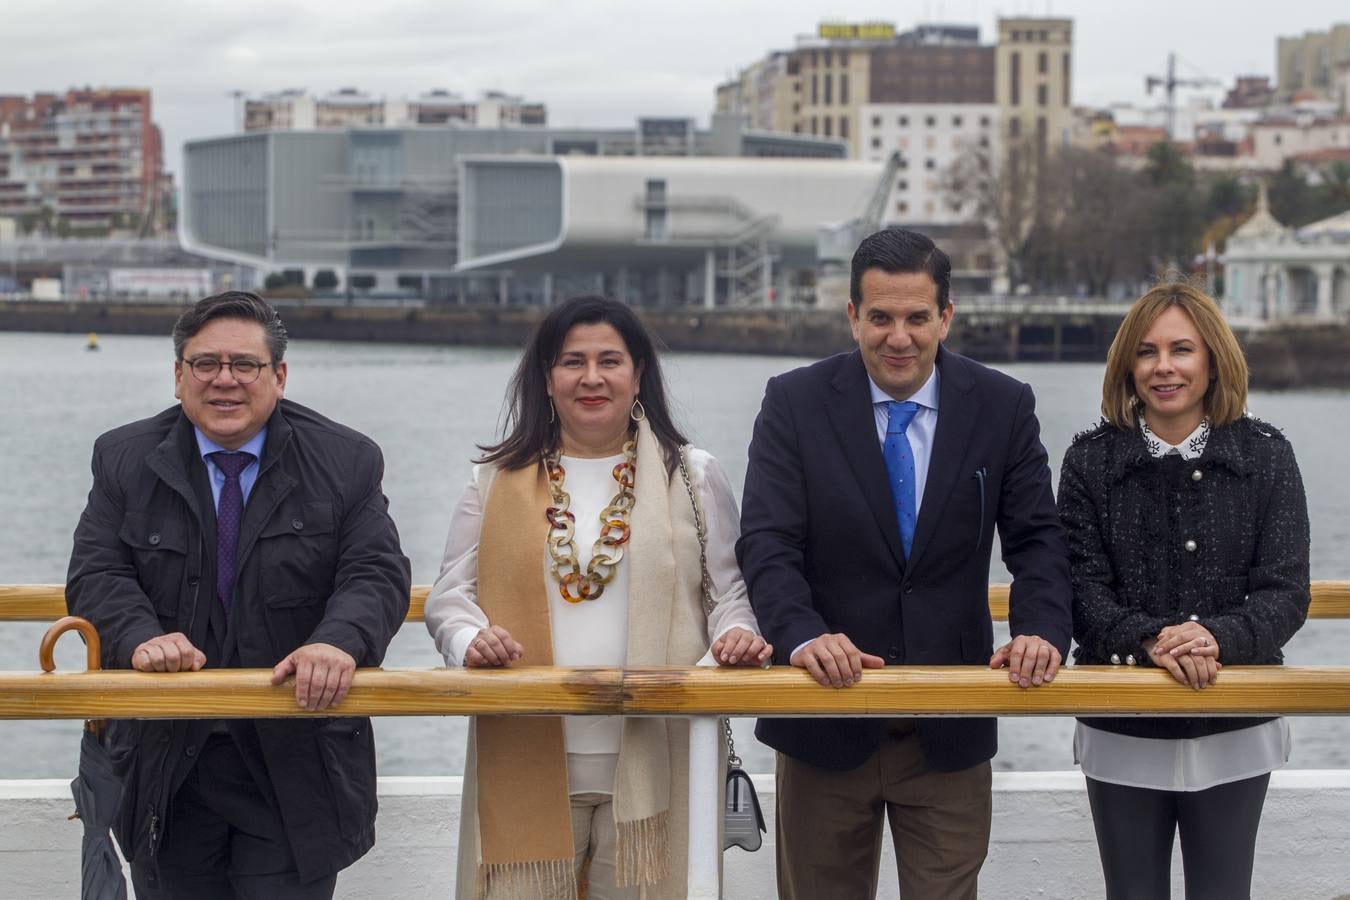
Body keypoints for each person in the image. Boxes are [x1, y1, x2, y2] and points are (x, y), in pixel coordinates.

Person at [737, 227, 1073, 900]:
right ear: (852, 316)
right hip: (822, 718)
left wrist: (1039, 630)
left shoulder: (1003, 405)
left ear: (945, 316)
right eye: (881, 317)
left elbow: (1037, 539)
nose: (900, 337)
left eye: (917, 317)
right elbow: (767, 542)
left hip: (949, 721)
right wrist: (801, 636)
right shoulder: (794, 403)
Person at [66, 291, 411, 899]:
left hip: (294, 758)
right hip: (165, 761)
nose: (224, 380)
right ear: (179, 376)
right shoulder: (122, 459)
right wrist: (141, 636)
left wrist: (337, 643)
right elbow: (97, 573)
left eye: (245, 365)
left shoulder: (347, 460)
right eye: (205, 364)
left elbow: (375, 573)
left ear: (278, 376)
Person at [424, 295, 771, 900]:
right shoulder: (491, 480)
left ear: (638, 373)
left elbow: (729, 592)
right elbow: (451, 596)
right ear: (546, 378)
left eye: (609, 360)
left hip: (658, 756)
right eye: (571, 362)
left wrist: (734, 634)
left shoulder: (692, 473)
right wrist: (467, 638)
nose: (591, 378)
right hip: (527, 751)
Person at [1059, 281, 1310, 899]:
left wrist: (1213, 637)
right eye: (1146, 352)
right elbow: (1081, 589)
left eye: (1182, 350)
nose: (1163, 367)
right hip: (1123, 722)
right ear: (1127, 366)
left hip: (1233, 718)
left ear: (1213, 360)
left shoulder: (1267, 456)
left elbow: (1284, 590)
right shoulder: (1089, 462)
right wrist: (1150, 642)